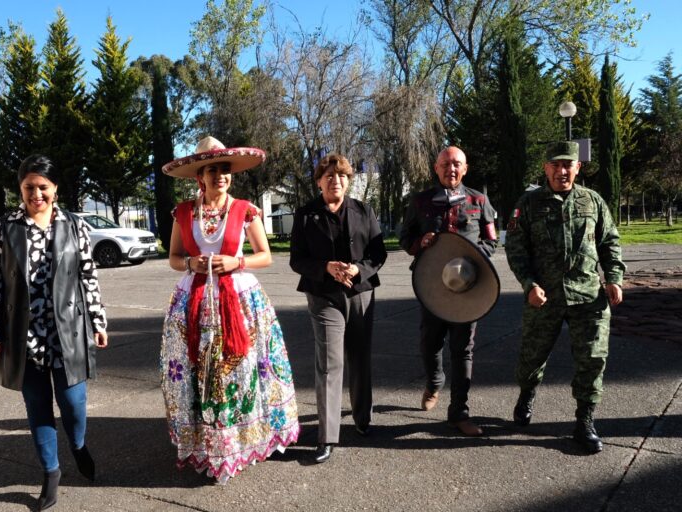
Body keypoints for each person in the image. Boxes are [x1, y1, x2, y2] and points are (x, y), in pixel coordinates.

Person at [160, 136, 299, 484]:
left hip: (238, 301)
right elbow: (174, 259)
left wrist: (236, 261)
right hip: (194, 302)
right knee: (198, 374)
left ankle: (238, 442)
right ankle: (205, 444)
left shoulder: (245, 210)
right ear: (200, 178)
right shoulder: (184, 212)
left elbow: (265, 256)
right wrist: (192, 262)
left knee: (239, 374)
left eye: (225, 170)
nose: (220, 176)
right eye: (213, 170)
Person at [0, 154, 108, 511]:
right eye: (28, 188)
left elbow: (87, 277)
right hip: (25, 335)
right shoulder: (5, 227)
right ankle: (50, 474)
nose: (36, 194)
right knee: (37, 407)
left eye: (42, 187)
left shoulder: (75, 225)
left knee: (73, 405)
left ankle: (79, 444)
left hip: (69, 331)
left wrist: (98, 321)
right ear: (20, 190)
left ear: (54, 189)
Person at [505, 141, 625, 454]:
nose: (562, 170)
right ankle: (527, 393)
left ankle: (585, 421)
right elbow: (516, 249)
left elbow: (610, 242)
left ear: (577, 167)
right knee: (532, 356)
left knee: (592, 360)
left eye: (568, 164)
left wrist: (614, 279)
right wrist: (529, 284)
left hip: (588, 296)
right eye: (555, 165)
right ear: (545, 168)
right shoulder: (529, 203)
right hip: (544, 297)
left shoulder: (593, 201)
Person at [289, 154, 387, 463]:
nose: (336, 181)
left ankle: (362, 419)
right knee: (329, 364)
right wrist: (325, 267)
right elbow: (297, 259)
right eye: (329, 176)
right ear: (318, 181)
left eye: (342, 176)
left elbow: (378, 252)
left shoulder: (364, 211)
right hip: (323, 296)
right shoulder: (306, 215)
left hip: (360, 294)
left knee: (360, 358)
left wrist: (359, 269)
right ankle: (328, 437)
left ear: (349, 180)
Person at [399, 146, 497, 437]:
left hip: (469, 288)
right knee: (430, 343)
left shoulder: (479, 201)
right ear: (436, 168)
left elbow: (492, 241)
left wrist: (476, 253)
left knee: (463, 349)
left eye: (457, 164)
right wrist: (421, 242)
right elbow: (405, 239)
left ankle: (459, 413)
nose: (451, 169)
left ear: (465, 169)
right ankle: (434, 382)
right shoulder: (420, 202)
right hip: (432, 286)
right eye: (445, 164)